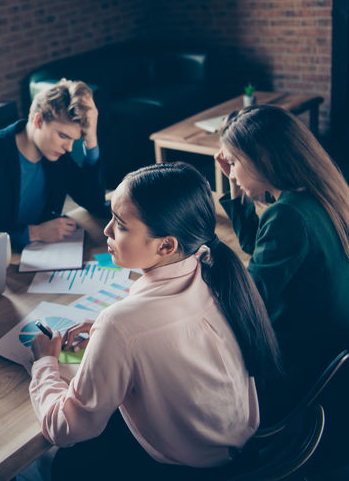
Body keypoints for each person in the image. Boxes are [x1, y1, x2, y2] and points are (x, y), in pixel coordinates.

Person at [28, 162, 280, 479]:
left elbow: (66, 429)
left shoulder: (120, 324)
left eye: (120, 224)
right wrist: (104, 331)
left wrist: (45, 365)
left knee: (54, 464)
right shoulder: (213, 275)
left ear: (166, 245)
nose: (106, 230)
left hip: (184, 472)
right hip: (240, 455)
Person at [216, 105, 349, 422]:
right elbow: (257, 245)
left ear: (262, 156)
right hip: (340, 353)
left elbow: (249, 298)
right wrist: (235, 189)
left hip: (305, 367)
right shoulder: (318, 195)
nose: (230, 172)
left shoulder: (287, 215)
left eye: (233, 163)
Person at [0, 79, 106, 248]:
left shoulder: (57, 153)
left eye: (73, 140)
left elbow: (94, 202)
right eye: (63, 136)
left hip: (46, 252)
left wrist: (91, 139)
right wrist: (34, 233)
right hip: (1, 259)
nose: (69, 148)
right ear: (38, 121)